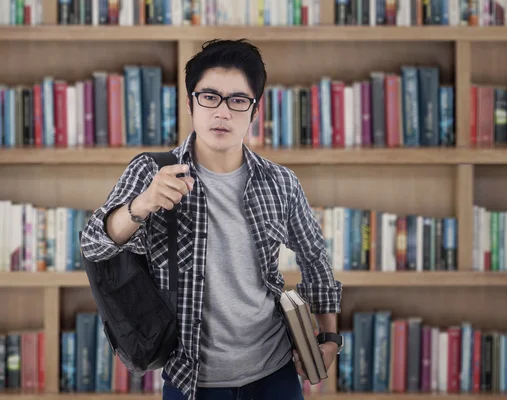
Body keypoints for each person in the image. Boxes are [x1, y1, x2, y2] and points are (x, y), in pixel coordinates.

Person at [80, 38, 343, 400]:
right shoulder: (153, 172)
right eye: (209, 97)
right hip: (190, 380)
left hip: (275, 374)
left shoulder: (281, 182)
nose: (222, 112)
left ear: (254, 111)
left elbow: (315, 258)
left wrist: (328, 337)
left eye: (238, 100)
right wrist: (142, 204)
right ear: (190, 103)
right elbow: (93, 244)